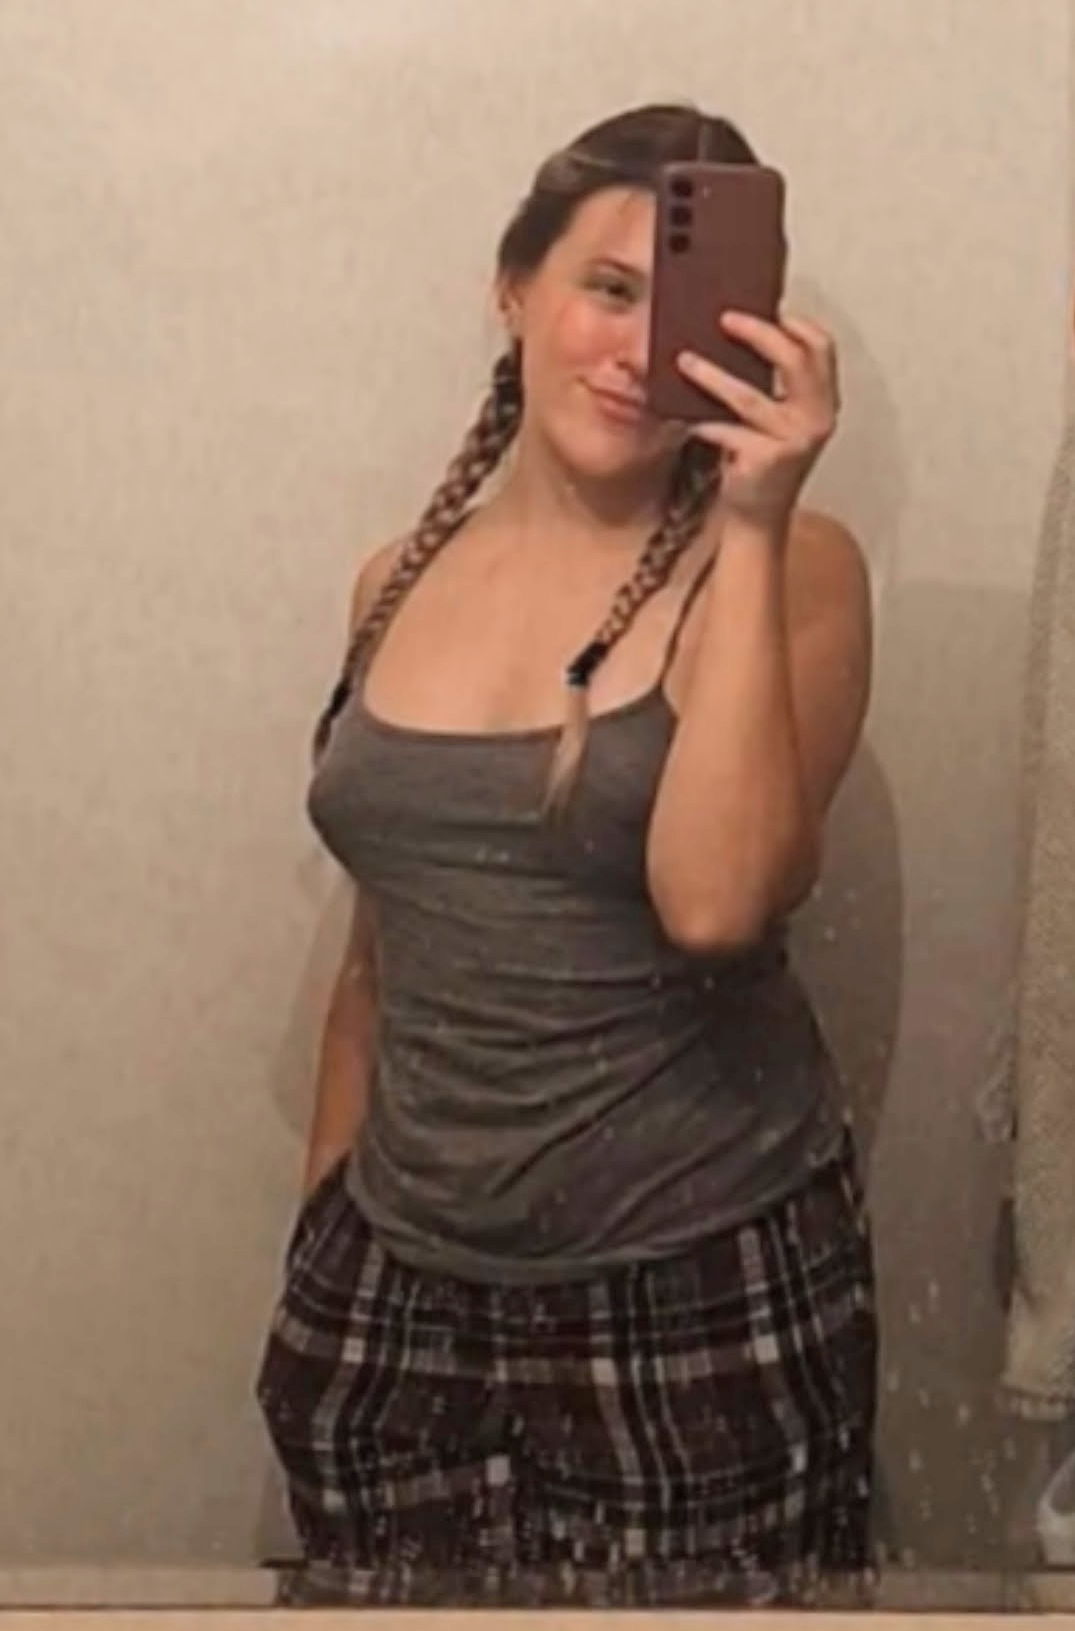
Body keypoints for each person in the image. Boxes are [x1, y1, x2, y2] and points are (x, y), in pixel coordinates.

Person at [256, 101, 878, 1609]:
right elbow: (379, 962)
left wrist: (752, 516)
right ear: (513, 286)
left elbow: (717, 900)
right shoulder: (395, 578)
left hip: (691, 1298)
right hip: (391, 1298)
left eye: (686, 311)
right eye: (607, 287)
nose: (636, 348)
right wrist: (323, 1239)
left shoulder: (793, 567)